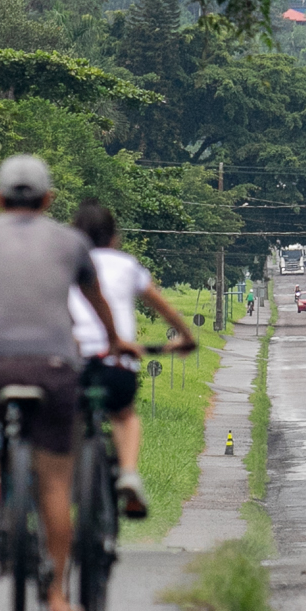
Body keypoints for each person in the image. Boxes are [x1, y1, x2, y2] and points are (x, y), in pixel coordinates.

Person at [0, 155, 136, 611]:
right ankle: (59, 597)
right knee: (56, 485)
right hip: (54, 366)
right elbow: (97, 300)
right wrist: (117, 340)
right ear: (49, 200)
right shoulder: (72, 241)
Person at [67, 199, 201, 516]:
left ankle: (72, 473)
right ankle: (127, 472)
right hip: (117, 363)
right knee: (124, 414)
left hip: (72, 362)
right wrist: (187, 337)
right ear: (114, 237)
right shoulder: (126, 265)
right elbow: (163, 306)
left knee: (70, 414)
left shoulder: (65, 263)